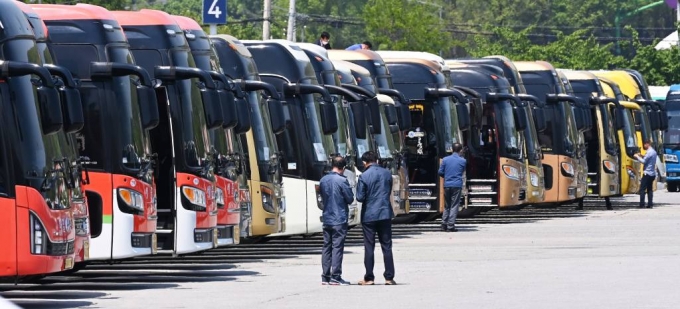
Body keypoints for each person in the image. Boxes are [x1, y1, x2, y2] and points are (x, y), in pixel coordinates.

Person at [356, 151, 396, 286]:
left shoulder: (364, 176)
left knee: (369, 246)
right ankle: (389, 277)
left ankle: (369, 277)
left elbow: (360, 197)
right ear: (377, 160)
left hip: (369, 215)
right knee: (387, 246)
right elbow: (388, 191)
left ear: (364, 162)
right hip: (385, 212)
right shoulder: (387, 173)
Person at [319, 155, 354, 286]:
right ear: (343, 168)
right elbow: (350, 199)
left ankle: (325, 276)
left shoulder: (323, 180)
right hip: (339, 217)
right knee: (337, 247)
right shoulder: (342, 181)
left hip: (327, 217)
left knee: (326, 247)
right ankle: (336, 275)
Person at [438, 143, 467, 232]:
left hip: (447, 184)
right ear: (460, 150)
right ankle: (450, 226)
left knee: (447, 205)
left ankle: (443, 224)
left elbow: (440, 172)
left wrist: (446, 176)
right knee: (454, 205)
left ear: (452, 149)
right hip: (457, 185)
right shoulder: (463, 161)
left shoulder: (445, 160)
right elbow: (462, 171)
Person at [634, 140, 658, 208]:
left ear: (647, 144)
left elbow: (644, 161)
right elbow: (648, 159)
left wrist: (637, 157)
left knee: (642, 189)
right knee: (650, 189)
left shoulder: (649, 152)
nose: (644, 146)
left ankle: (642, 204)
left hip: (647, 173)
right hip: (652, 174)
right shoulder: (654, 152)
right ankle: (650, 204)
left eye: (644, 145)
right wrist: (641, 155)